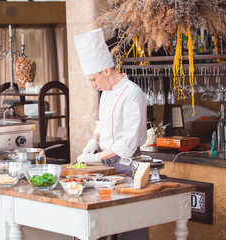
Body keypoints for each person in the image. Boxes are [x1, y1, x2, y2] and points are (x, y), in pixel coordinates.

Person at [74, 28, 149, 240]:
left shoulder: (132, 94)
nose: (92, 84)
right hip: (107, 166)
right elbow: (102, 123)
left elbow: (128, 142)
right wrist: (93, 141)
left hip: (127, 165)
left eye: (93, 79)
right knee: (107, 222)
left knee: (130, 222)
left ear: (107, 71)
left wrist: (96, 157)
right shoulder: (106, 92)